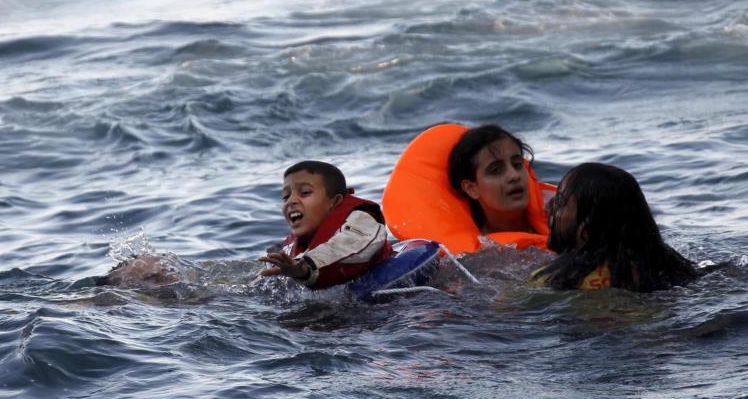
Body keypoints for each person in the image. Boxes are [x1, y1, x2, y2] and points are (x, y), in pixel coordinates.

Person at [382, 123, 554, 255]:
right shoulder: (469, 257)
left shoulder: (564, 217)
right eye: (496, 170)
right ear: (471, 188)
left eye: (517, 164)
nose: (514, 175)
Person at [529, 162, 698, 292]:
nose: (547, 207)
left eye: (559, 202)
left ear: (586, 231)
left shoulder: (555, 279)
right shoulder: (673, 267)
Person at [258, 160, 392, 289]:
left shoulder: (362, 221)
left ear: (334, 202)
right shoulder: (290, 247)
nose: (291, 201)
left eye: (305, 193)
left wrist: (304, 268)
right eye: (285, 197)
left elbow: (346, 246)